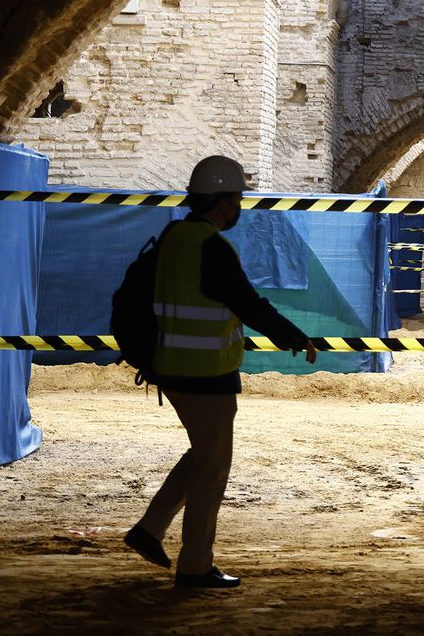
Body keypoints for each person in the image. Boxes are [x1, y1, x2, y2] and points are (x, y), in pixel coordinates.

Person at [123, 155, 318, 589]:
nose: (240, 207)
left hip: (172, 367)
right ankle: (194, 568)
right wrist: (295, 336)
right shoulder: (211, 247)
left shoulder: (175, 236)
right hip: (205, 373)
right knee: (213, 471)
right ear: (223, 201)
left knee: (202, 456)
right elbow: (248, 303)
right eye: (238, 198)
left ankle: (149, 529)